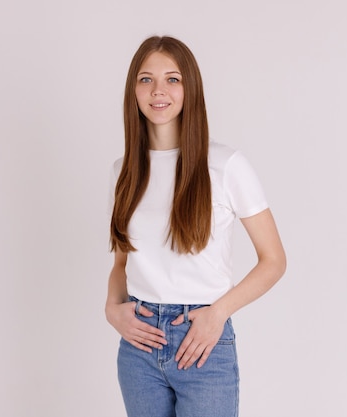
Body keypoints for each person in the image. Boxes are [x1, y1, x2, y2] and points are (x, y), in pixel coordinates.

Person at [106, 36, 286, 417]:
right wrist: (112, 308)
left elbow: (273, 260)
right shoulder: (122, 172)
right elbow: (122, 263)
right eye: (145, 79)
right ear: (133, 90)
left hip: (202, 341)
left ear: (190, 88)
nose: (158, 91)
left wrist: (218, 313)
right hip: (138, 347)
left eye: (173, 79)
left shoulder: (226, 165)